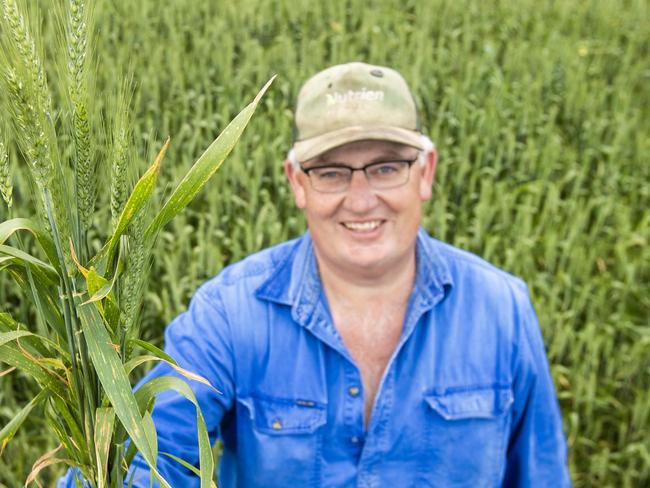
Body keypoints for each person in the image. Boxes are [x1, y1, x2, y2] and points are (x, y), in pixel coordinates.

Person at [59, 62, 571, 487]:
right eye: (330, 173)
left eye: (387, 166)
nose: (362, 198)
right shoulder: (232, 314)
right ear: (296, 183)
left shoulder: (502, 310)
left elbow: (540, 476)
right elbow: (143, 459)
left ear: (427, 172)